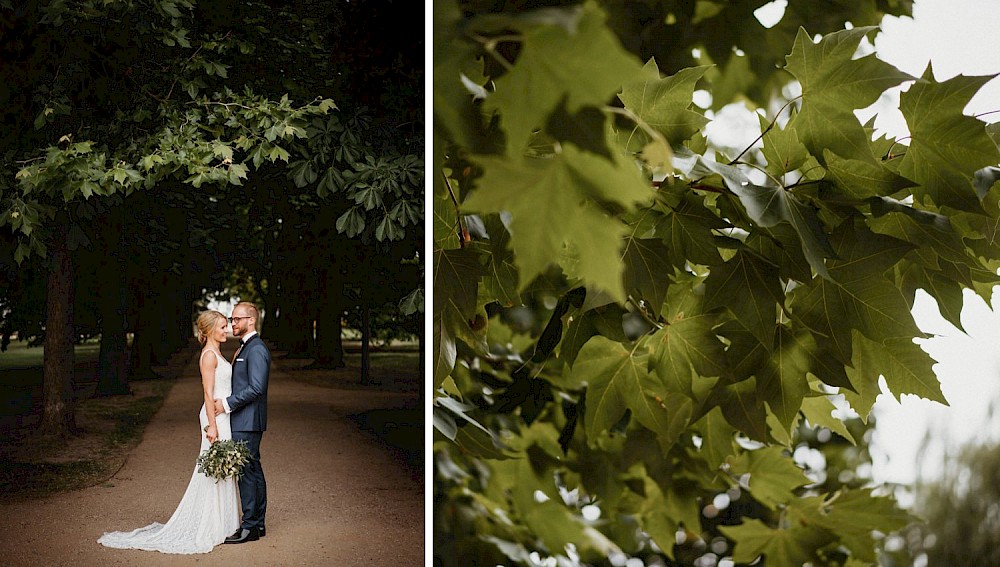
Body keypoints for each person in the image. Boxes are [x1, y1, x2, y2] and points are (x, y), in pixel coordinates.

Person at [98, 310, 240, 554]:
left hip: (222, 414)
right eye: (221, 326)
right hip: (214, 417)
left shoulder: (218, 352)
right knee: (215, 468)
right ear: (207, 331)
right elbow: (208, 393)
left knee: (222, 468)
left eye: (226, 326)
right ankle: (212, 525)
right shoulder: (208, 356)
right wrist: (212, 426)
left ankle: (223, 523)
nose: (225, 329)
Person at [214, 301, 271, 544]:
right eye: (232, 319)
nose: (232, 323)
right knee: (253, 470)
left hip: (246, 421)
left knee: (247, 473)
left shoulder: (256, 349)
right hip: (246, 420)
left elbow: (257, 388)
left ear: (251, 320)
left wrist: (226, 403)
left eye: (237, 319)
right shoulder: (247, 347)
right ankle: (257, 524)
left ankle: (249, 527)